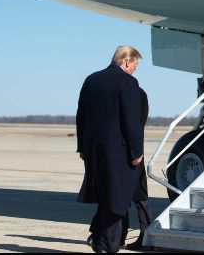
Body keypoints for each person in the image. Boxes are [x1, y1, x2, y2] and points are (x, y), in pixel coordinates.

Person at [77, 46, 144, 253]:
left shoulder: (91, 80)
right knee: (118, 200)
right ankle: (105, 247)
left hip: (94, 151)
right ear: (126, 61)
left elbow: (81, 116)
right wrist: (136, 152)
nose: (134, 70)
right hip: (120, 154)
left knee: (107, 197)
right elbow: (131, 122)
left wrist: (82, 147)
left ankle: (98, 238)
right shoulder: (127, 82)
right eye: (135, 65)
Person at [118, 86, 153, 251]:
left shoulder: (136, 93)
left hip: (132, 152)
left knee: (139, 195)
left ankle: (145, 236)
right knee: (124, 196)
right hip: (128, 151)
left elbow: (137, 124)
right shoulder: (134, 92)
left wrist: (136, 153)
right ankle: (120, 235)